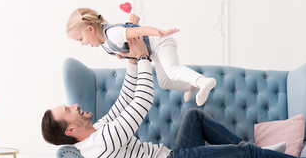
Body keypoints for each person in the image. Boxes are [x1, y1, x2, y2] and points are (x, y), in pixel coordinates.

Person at [41, 38, 306, 158]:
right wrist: (146, 57)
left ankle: (246, 154)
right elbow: (141, 101)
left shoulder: (97, 131)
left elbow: (125, 99)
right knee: (249, 155)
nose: (74, 106)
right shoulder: (102, 141)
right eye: (68, 110)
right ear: (70, 130)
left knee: (193, 116)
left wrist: (133, 61)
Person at [66, 7, 216, 106]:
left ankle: (203, 81)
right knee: (164, 82)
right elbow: (128, 38)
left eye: (80, 39)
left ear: (90, 29)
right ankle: (191, 86)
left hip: (161, 42)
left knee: (172, 70)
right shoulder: (104, 43)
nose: (82, 44)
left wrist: (159, 33)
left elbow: (139, 32)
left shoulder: (112, 34)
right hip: (154, 52)